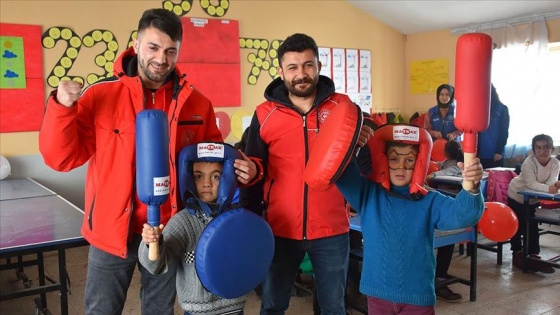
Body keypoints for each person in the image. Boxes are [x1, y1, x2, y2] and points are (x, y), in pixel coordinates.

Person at [39, 8, 257, 315]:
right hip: (110, 231)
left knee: (159, 311)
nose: (161, 59)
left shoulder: (198, 103)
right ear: (137, 44)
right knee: (101, 311)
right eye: (153, 48)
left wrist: (246, 168)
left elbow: (212, 162)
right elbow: (60, 159)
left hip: (167, 232)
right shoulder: (101, 95)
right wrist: (61, 108)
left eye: (171, 51)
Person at [240, 33, 372, 315]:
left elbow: (362, 166)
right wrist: (250, 217)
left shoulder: (342, 108)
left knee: (333, 307)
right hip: (280, 228)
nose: (301, 74)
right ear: (280, 71)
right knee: (273, 304)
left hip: (332, 229)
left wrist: (361, 146)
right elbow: (254, 169)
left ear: (319, 66)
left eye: (308, 65)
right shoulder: (264, 113)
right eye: (293, 67)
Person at [335, 126, 485, 314]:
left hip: (417, 296)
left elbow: (464, 215)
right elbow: (341, 174)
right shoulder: (369, 194)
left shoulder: (430, 200)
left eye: (409, 161)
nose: (401, 167)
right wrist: (353, 145)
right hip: (378, 294)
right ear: (383, 160)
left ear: (420, 164)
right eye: (394, 159)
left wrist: (472, 186)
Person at [139, 142, 246, 315]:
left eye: (216, 176)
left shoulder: (238, 219)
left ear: (227, 177)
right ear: (188, 178)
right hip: (198, 310)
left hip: (234, 307)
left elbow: (251, 256)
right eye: (198, 176)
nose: (206, 184)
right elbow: (155, 265)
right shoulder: (184, 222)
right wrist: (152, 242)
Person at [507, 134, 559, 274]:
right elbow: (531, 184)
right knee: (518, 225)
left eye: (546, 147)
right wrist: (550, 188)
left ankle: (533, 255)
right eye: (538, 148)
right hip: (517, 195)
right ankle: (517, 253)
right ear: (533, 150)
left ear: (552, 149)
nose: (542, 151)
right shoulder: (529, 162)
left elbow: (551, 182)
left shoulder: (555, 163)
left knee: (532, 226)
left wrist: (551, 187)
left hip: (533, 199)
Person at [427, 140, 465, 302]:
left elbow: (424, 188)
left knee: (446, 234)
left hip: (434, 203)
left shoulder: (457, 166)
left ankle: (439, 280)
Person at [477, 84, 510, 169]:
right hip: (480, 153)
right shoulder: (479, 108)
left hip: (495, 153)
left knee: (494, 179)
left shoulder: (502, 109)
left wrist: (499, 151)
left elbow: (504, 132)